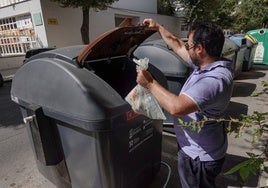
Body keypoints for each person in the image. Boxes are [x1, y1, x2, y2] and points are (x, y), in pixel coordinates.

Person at [136, 18, 234, 188]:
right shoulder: (205, 64)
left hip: (200, 157)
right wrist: (158, 27)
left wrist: (149, 83)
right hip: (196, 147)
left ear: (200, 49)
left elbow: (177, 107)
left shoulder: (214, 80)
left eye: (189, 46)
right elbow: (178, 45)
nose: (186, 48)